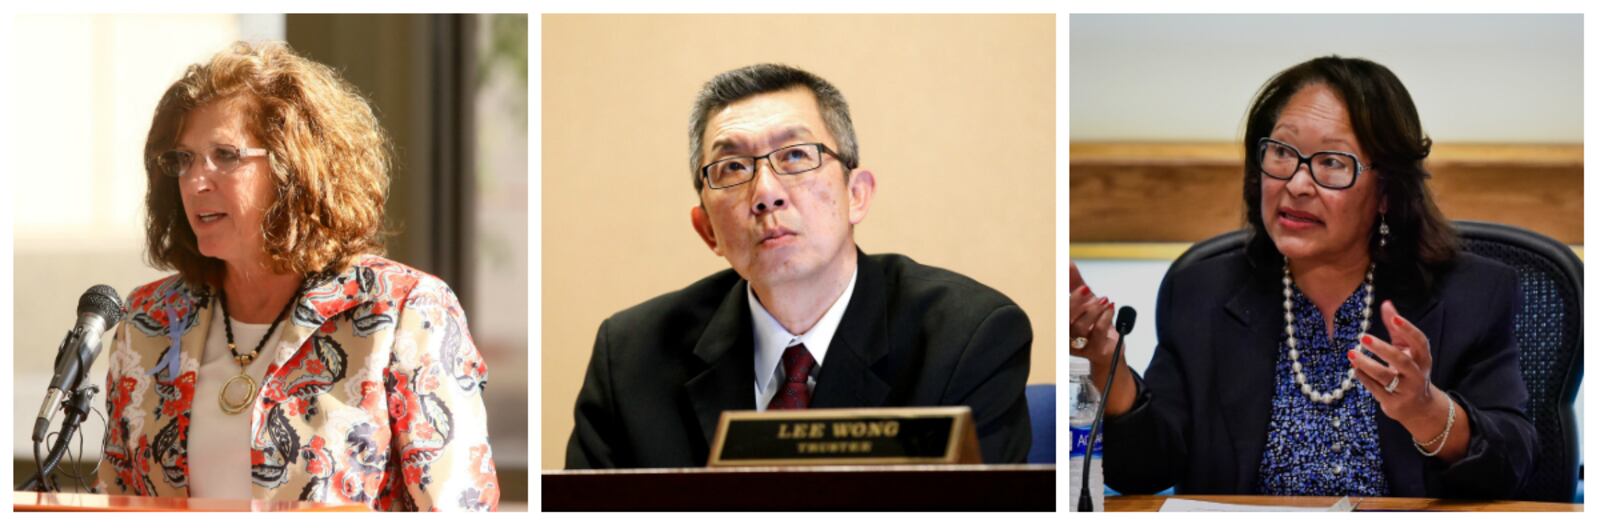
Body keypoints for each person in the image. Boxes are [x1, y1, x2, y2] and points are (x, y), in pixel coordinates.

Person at [1070, 56, 1536, 498]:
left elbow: (1514, 467)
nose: (1296, 183)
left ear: (1387, 193)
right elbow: (1146, 470)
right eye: (1282, 153)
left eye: (1332, 162)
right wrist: (1107, 369)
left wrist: (1428, 412)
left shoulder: (1472, 294)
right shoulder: (1202, 292)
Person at [95, 41, 499, 511]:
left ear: (295, 169)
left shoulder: (403, 311)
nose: (196, 181)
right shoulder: (148, 322)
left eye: (225, 155)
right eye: (182, 160)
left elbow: (458, 510)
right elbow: (115, 504)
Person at [566, 63, 1033, 468]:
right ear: (707, 229)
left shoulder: (968, 338)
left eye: (794, 155)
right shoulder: (630, 358)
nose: (766, 191)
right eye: (732, 167)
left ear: (857, 194)